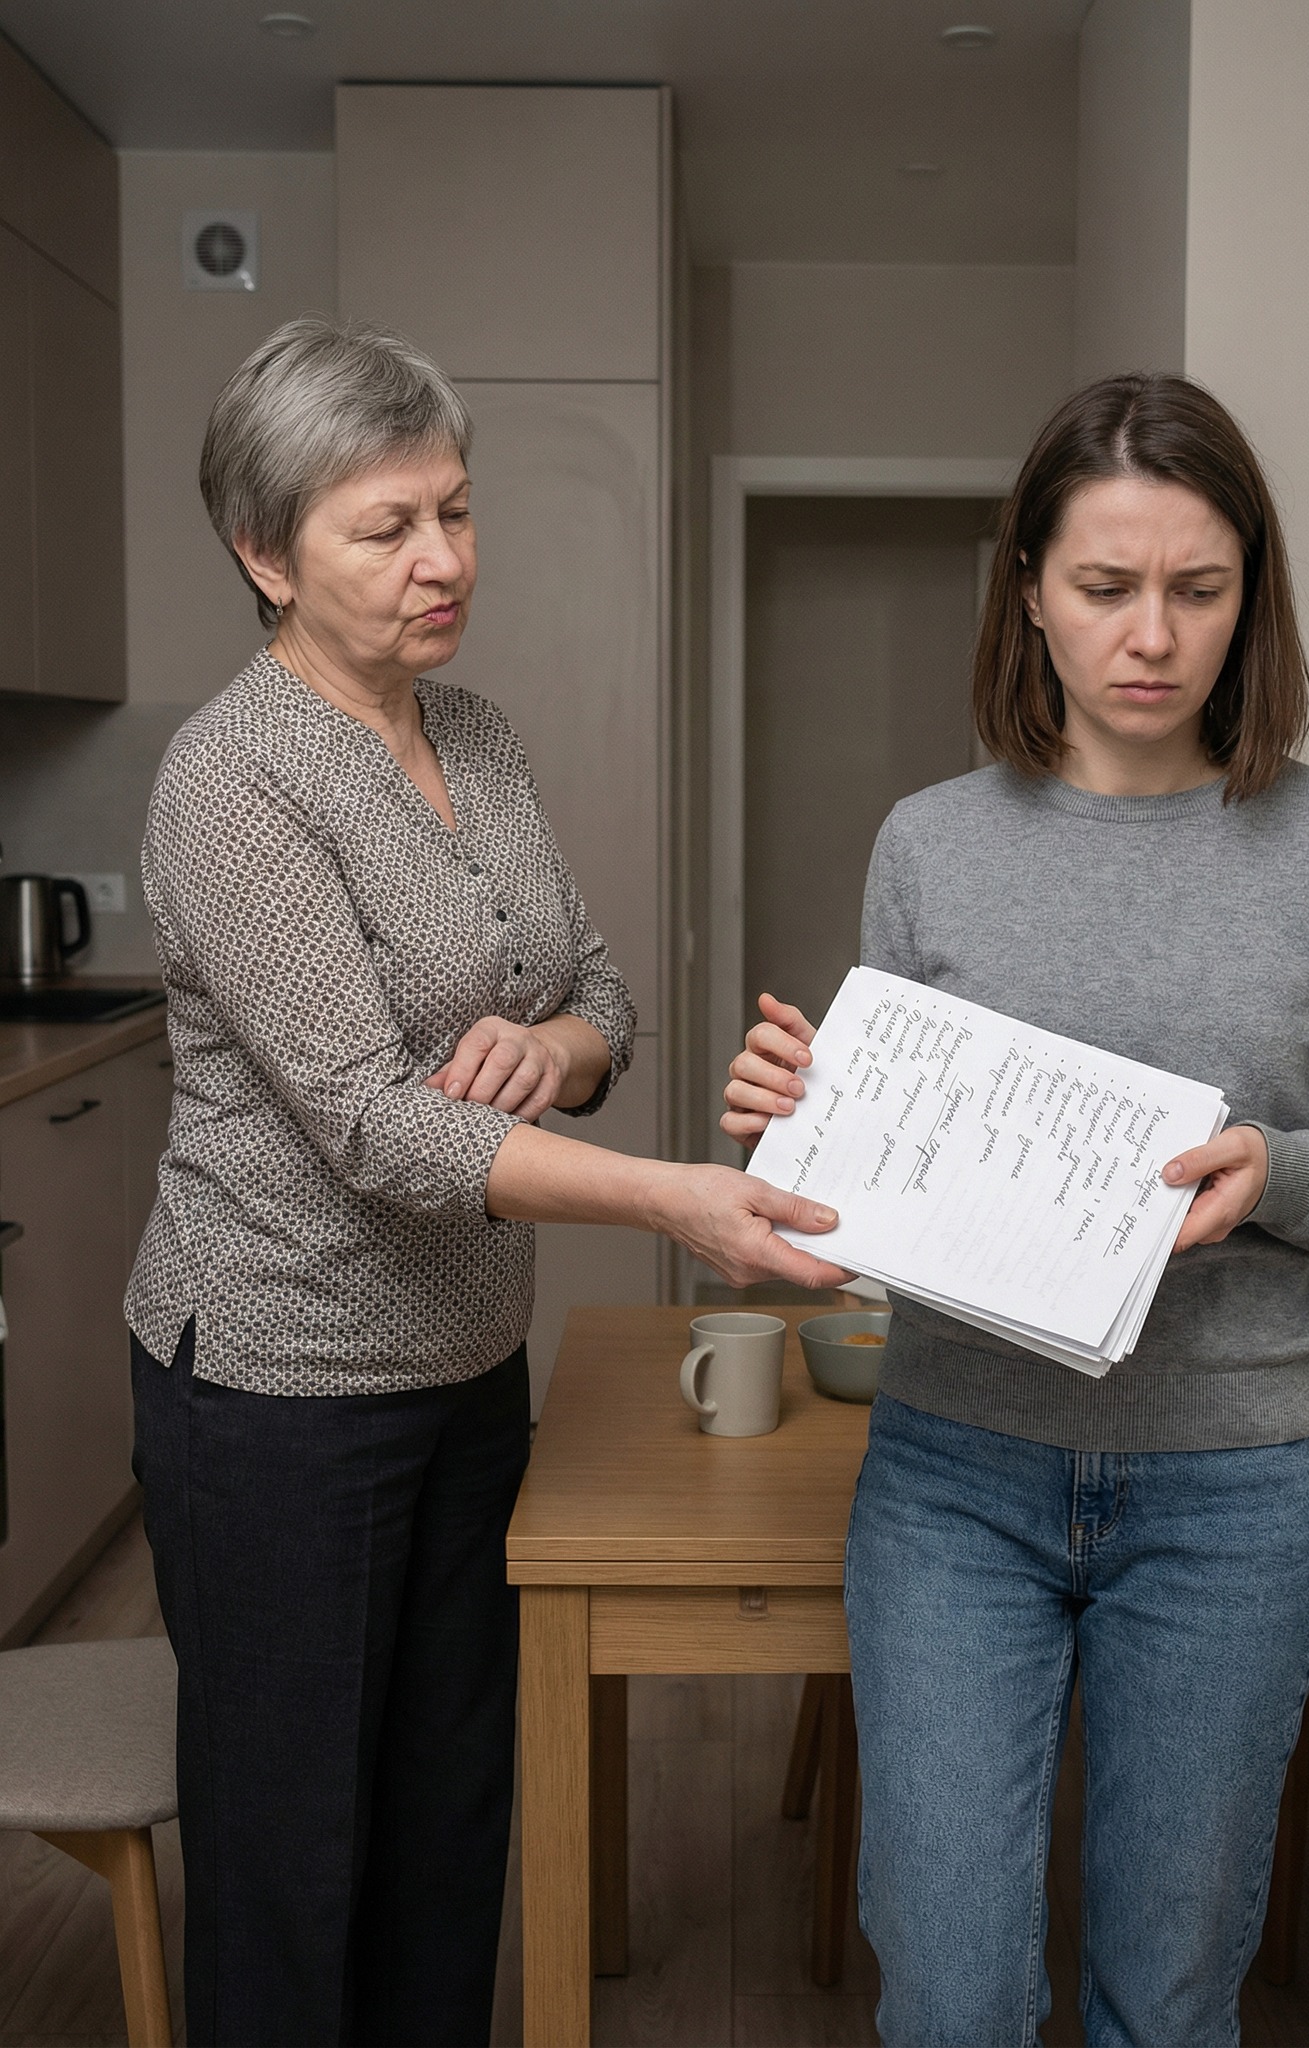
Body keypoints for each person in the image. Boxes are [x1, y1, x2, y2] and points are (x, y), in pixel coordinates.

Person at [723, 372, 1309, 2048]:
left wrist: (1281, 1170)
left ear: (1249, 597)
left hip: (1225, 1496)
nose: (1152, 637)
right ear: (1027, 590)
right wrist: (800, 1133)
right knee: (955, 1994)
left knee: (1166, 1998)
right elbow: (866, 1208)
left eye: (1198, 592)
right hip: (951, 1481)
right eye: (1103, 588)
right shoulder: (929, 845)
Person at [127, 315, 843, 2048]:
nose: (442, 560)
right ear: (263, 554)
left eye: (454, 510)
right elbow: (371, 1125)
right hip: (282, 1390)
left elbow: (597, 986)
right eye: (386, 529)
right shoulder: (229, 783)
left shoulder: (482, 735)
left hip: (464, 1365)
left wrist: (564, 1054)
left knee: (450, 1825)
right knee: (293, 1863)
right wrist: (675, 1200)